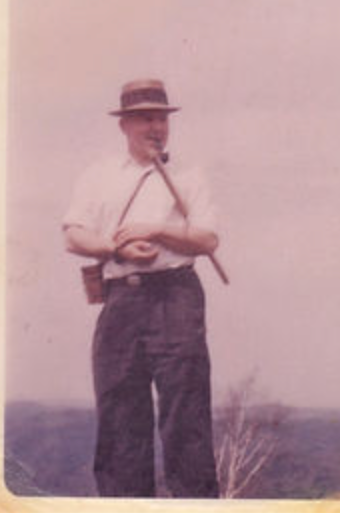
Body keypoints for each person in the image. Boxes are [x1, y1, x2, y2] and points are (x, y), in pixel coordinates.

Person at [62, 79, 220, 498]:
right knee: (119, 418)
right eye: (145, 118)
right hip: (121, 301)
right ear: (124, 125)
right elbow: (74, 235)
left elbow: (207, 240)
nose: (156, 127)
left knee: (185, 418)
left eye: (162, 118)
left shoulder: (189, 174)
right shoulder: (98, 176)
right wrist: (117, 246)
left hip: (176, 296)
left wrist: (159, 232)